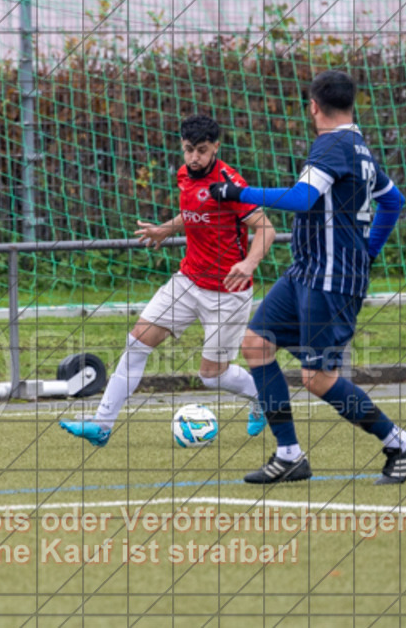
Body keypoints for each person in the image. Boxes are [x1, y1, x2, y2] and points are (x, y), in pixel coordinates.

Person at [209, 69, 406, 485]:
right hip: (306, 272)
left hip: (331, 279)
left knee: (317, 377)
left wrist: (237, 193)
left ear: (313, 106)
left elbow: (299, 199)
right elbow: (393, 202)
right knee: (257, 344)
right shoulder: (357, 147)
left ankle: (399, 441)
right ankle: (289, 455)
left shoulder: (333, 145)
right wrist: (369, 250)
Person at [60, 114, 276, 447]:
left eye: (202, 151)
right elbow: (195, 214)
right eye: (189, 150)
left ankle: (264, 397)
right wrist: (167, 228)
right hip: (188, 281)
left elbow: (267, 229)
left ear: (216, 147)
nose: (194, 158)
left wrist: (249, 262)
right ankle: (101, 426)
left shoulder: (231, 185)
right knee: (137, 341)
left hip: (228, 292)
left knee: (210, 376)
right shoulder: (183, 176)